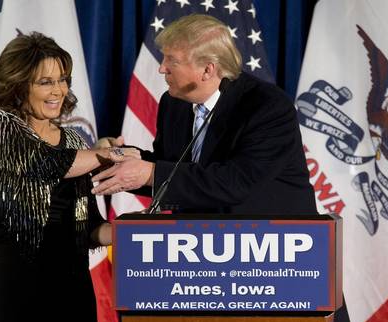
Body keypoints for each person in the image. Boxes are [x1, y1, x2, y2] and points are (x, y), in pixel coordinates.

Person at [0, 32, 136, 322]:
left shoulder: (74, 141)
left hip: (73, 289)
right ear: (19, 85)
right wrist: (108, 154)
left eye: (63, 79)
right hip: (18, 288)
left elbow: (88, 226)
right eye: (45, 82)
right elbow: (47, 164)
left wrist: (128, 234)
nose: (59, 90)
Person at [91, 14, 316, 215]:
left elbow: (236, 182)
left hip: (275, 244)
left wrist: (150, 172)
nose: (161, 68)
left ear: (208, 70)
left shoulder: (267, 106)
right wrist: (117, 158)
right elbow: (174, 169)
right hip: (201, 243)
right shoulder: (173, 103)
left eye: (172, 61)